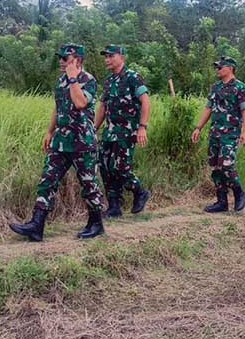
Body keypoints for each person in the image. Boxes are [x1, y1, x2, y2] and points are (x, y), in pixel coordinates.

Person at [9, 44, 105, 241]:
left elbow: (80, 103)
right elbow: (58, 106)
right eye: (60, 58)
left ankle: (96, 223)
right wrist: (49, 131)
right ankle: (37, 225)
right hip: (61, 141)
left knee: (88, 184)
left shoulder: (88, 80)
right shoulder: (60, 81)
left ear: (77, 60)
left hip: (82, 142)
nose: (61, 62)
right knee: (47, 180)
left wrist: (72, 79)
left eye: (65, 58)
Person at [95, 45, 151, 218]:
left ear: (121, 57)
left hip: (126, 131)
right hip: (109, 131)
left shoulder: (133, 77)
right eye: (106, 57)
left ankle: (140, 191)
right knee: (105, 166)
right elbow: (103, 107)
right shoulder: (108, 81)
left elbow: (146, 102)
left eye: (111, 56)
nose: (107, 60)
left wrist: (142, 127)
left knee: (120, 168)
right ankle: (114, 206)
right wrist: (93, 129)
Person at [191, 56, 245, 212]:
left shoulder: (240, 88)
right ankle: (221, 201)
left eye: (220, 67)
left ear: (230, 68)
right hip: (215, 133)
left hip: (230, 134)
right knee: (215, 168)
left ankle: (239, 192)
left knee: (227, 165)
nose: (217, 70)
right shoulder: (215, 87)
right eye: (217, 67)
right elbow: (208, 108)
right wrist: (198, 127)